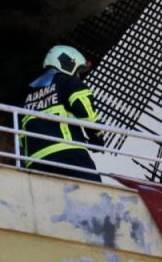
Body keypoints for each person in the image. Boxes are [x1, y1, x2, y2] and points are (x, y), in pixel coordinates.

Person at [20, 45, 103, 182]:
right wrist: (97, 137)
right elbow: (85, 110)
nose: (78, 77)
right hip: (70, 157)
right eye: (77, 72)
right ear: (67, 63)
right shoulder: (67, 82)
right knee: (94, 195)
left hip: (35, 163)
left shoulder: (27, 94)